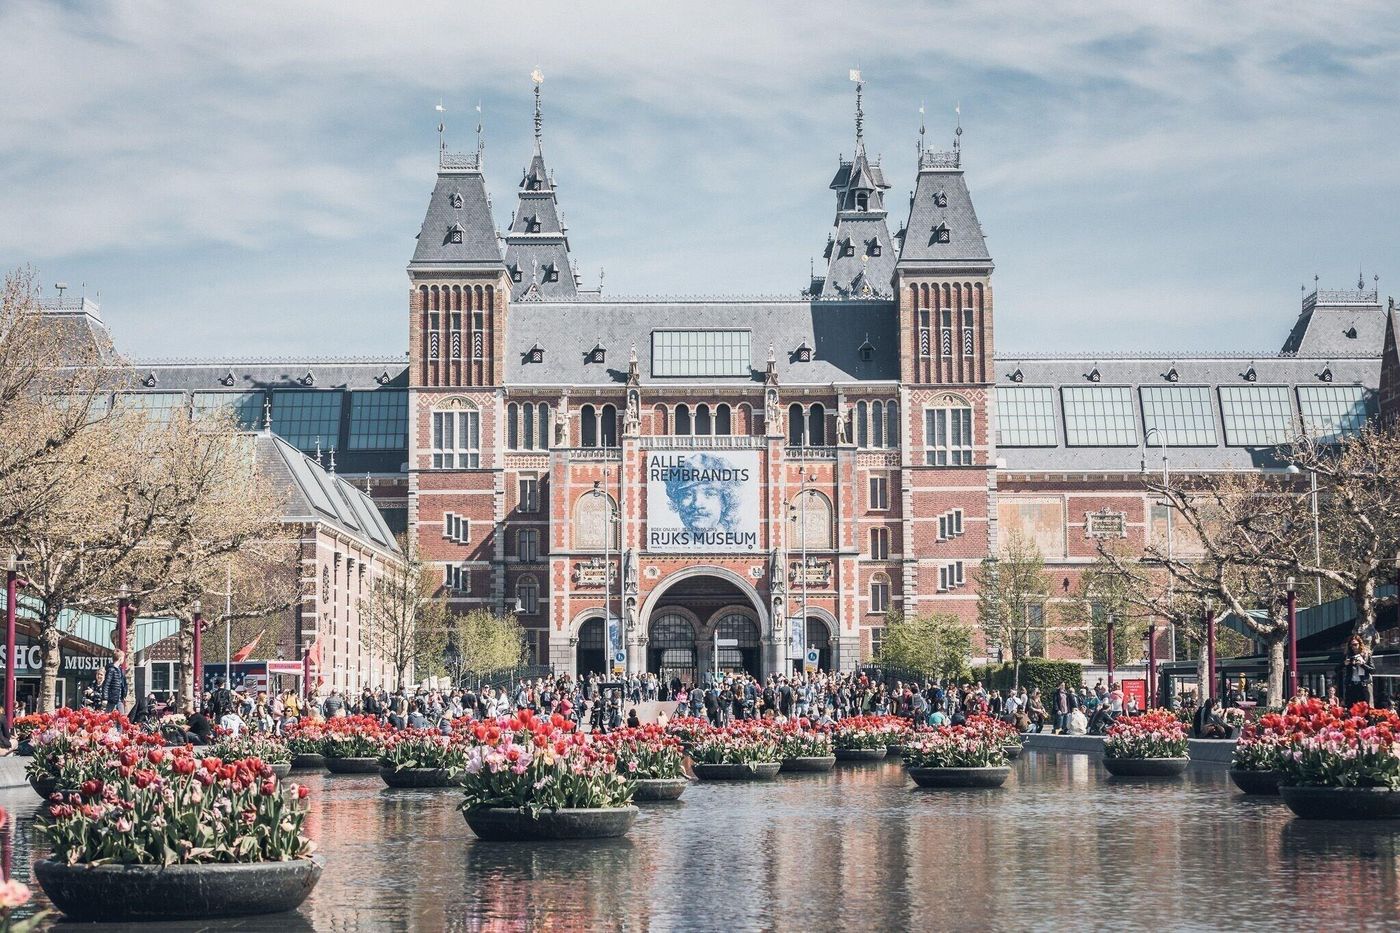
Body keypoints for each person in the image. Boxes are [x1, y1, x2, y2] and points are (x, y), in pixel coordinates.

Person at [1343, 635, 1375, 706]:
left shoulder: (1366, 655)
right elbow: (1337, 669)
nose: (1353, 647)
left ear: (1360, 644)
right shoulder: (1348, 655)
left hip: (1363, 685)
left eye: (1355, 644)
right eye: (1351, 645)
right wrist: (1344, 664)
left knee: (1364, 707)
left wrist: (1362, 665)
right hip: (1351, 685)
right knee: (1350, 707)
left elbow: (1373, 670)